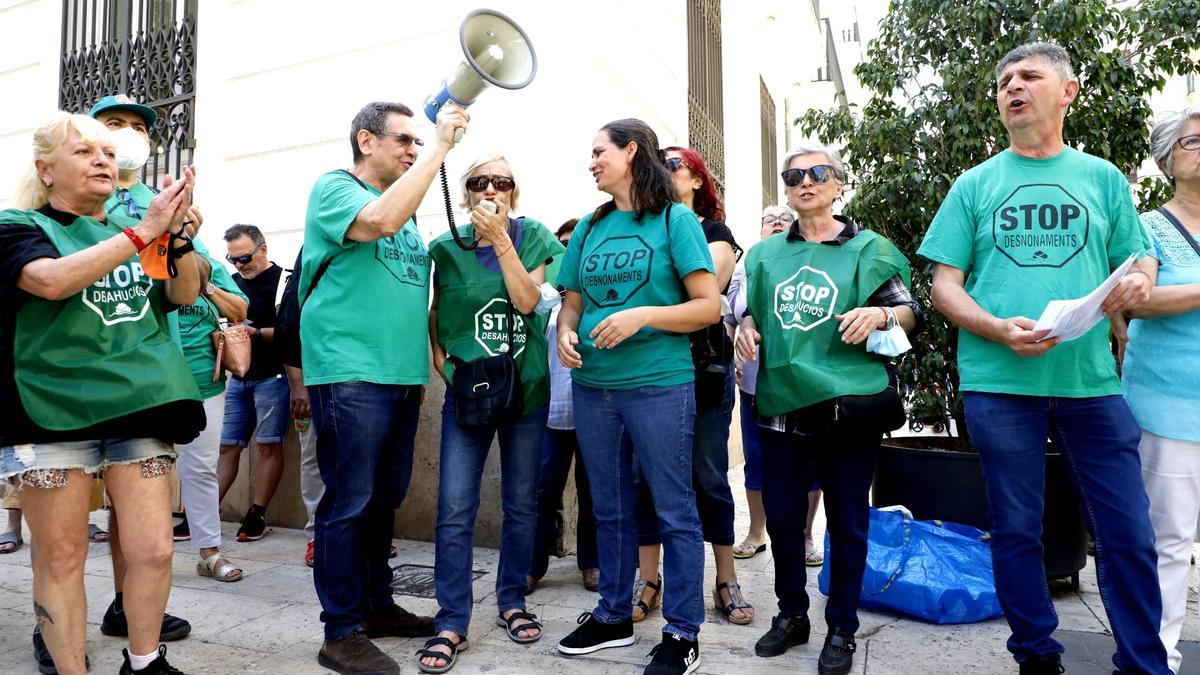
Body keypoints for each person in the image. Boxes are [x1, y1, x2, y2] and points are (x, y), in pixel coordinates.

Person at [918, 41, 1168, 674]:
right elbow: (943, 284)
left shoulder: (1102, 177)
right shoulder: (975, 184)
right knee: (1016, 529)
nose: (1013, 87)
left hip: (1091, 383)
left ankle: (1144, 663)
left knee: (1129, 535)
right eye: (1004, 80)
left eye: (1029, 76)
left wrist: (1138, 280)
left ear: (1068, 91)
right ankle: (1036, 655)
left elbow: (1137, 258)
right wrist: (997, 328)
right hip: (1000, 382)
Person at [0, 112, 201, 675]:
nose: (102, 161)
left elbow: (183, 295)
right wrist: (141, 232)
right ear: (45, 169)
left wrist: (175, 236)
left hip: (138, 406)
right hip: (50, 411)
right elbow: (51, 280)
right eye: (84, 151)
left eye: (109, 154)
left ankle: (144, 662)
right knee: (62, 555)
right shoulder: (16, 226)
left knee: (154, 551)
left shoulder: (131, 226)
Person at [737, 143, 921, 674]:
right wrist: (745, 328)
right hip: (780, 408)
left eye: (817, 172)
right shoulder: (767, 253)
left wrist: (881, 317)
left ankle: (842, 626)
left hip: (848, 408)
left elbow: (910, 311)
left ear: (839, 184)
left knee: (848, 520)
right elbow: (750, 313)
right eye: (793, 175)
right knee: (786, 519)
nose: (804, 181)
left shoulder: (869, 249)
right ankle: (792, 614)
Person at [301, 100, 467, 675]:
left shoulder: (408, 204)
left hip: (399, 379)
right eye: (403, 140)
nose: (413, 150)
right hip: (349, 372)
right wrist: (443, 148)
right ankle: (340, 631)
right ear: (366, 141)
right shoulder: (335, 188)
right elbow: (378, 224)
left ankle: (374, 605)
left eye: (417, 144)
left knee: (382, 501)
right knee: (347, 504)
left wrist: (419, 373)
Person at [555, 118, 720, 675]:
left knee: (674, 508)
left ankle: (681, 632)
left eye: (600, 151)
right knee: (609, 507)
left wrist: (643, 315)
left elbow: (708, 307)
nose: (592, 161)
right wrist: (564, 331)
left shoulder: (674, 220)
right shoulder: (591, 227)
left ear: (631, 152)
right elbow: (572, 302)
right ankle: (612, 615)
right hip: (594, 387)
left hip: (659, 385)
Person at [418, 155, 564, 673]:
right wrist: (441, 363)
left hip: (525, 391)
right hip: (469, 391)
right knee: (455, 506)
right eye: (480, 181)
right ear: (463, 193)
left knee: (522, 502)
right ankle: (451, 617)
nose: (491, 189)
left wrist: (502, 239)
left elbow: (529, 302)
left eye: (502, 182)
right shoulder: (444, 247)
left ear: (514, 193)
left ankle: (511, 600)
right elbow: (434, 312)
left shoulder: (536, 236)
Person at [630, 146, 752, 626]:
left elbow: (709, 284)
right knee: (645, 476)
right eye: (657, 162)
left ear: (698, 180)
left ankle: (725, 579)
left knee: (708, 475)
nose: (664, 170)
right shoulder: (639, 227)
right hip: (647, 369)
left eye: (675, 164)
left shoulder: (714, 233)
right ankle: (649, 578)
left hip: (704, 372)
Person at [1121, 105, 1200, 674]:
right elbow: (1136, 298)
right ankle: (1159, 659)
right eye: (1195, 141)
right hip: (1168, 403)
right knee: (1169, 540)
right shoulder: (1146, 225)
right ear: (1169, 157)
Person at [729, 205, 824, 566]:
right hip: (756, 380)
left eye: (786, 219)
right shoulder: (747, 263)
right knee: (756, 457)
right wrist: (732, 359)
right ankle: (757, 531)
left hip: (806, 382)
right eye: (770, 219)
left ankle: (805, 534)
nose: (778, 223)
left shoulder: (810, 257)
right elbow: (729, 317)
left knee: (810, 461)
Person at [528, 218, 601, 594]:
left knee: (592, 492)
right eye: (564, 244)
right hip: (549, 415)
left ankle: (591, 564)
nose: (569, 249)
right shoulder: (546, 302)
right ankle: (532, 566)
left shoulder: (599, 300)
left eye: (577, 243)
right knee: (541, 491)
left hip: (592, 413)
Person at [172, 233, 250, 581]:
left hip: (205, 382)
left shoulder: (210, 264)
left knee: (202, 467)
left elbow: (240, 310)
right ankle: (146, 550)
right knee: (148, 471)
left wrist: (204, 285)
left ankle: (209, 553)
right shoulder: (150, 260)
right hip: (154, 384)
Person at [213, 223, 289, 542]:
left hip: (275, 377)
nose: (240, 266)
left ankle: (257, 514)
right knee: (228, 446)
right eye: (233, 260)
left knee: (269, 445)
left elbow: (293, 332)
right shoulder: (231, 284)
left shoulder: (286, 281)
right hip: (239, 378)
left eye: (244, 258)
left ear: (263, 249)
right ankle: (202, 513)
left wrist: (255, 332)